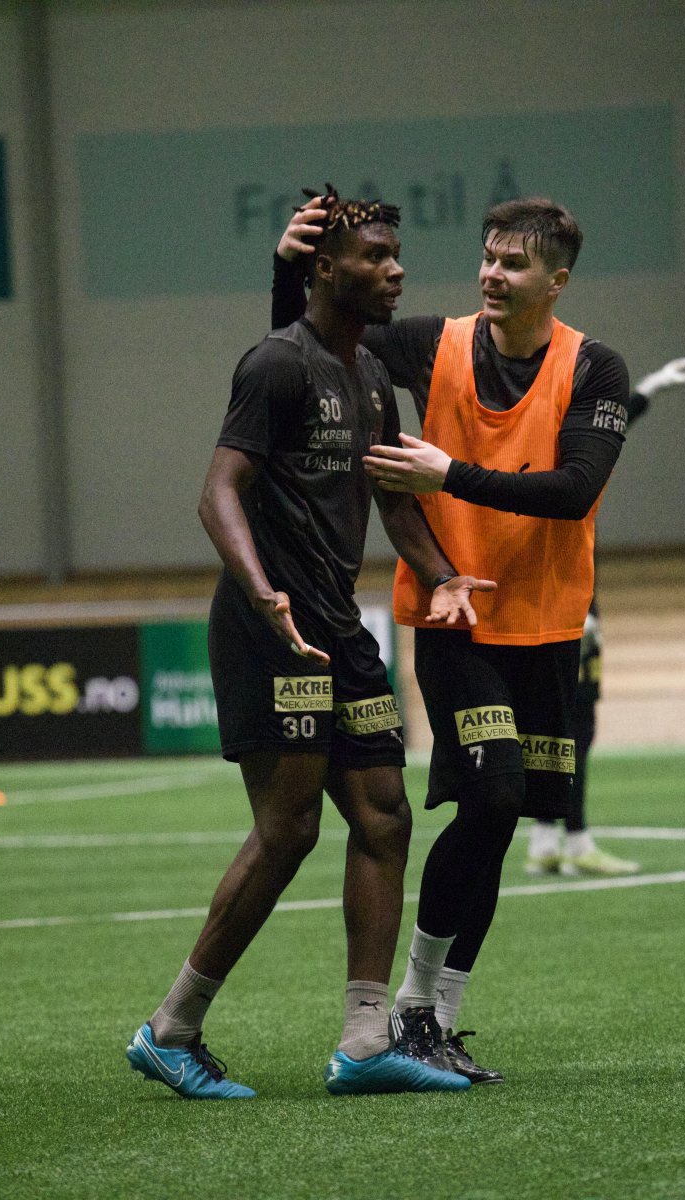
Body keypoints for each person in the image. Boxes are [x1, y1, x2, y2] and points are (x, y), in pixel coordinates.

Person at [126, 187, 498, 1101]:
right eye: (375, 255)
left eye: (396, 254)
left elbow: (395, 497)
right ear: (325, 269)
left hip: (340, 629)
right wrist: (262, 594)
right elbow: (218, 490)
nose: (396, 268)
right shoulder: (276, 364)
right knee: (289, 830)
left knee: (384, 817)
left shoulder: (369, 375)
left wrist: (442, 570)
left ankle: (366, 1042)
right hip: (272, 633)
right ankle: (170, 1029)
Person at [272, 192, 632, 1083]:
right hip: (455, 614)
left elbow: (574, 490)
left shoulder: (597, 368)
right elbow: (306, 348)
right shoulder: (434, 341)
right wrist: (286, 269)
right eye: (487, 257)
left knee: (498, 821)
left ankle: (437, 1016)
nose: (491, 273)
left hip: (545, 624)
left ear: (557, 280)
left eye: (514, 263)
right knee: (497, 796)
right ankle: (410, 1007)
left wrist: (448, 472)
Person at [526, 355, 685, 877]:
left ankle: (544, 839)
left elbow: (613, 422)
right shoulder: (551, 466)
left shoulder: (567, 452)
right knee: (573, 725)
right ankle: (573, 842)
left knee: (562, 724)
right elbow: (546, 539)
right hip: (563, 609)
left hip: (576, 603)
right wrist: (575, 610)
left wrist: (648, 389)